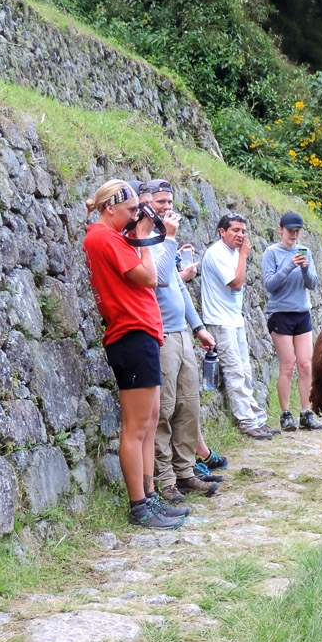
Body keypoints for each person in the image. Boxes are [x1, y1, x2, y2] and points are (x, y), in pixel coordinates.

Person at [82, 180, 189, 530]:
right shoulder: (102, 237)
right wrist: (144, 236)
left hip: (140, 333)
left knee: (148, 422)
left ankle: (149, 496)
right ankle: (139, 506)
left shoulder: (113, 237)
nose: (134, 217)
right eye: (129, 211)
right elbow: (149, 275)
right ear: (109, 207)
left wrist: (140, 234)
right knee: (136, 427)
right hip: (130, 334)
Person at [137, 178, 220, 503]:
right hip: (160, 336)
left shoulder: (163, 240)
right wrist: (169, 238)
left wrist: (197, 327)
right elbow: (156, 280)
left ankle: (186, 472)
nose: (167, 207)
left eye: (169, 202)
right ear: (144, 203)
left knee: (189, 405)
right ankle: (165, 479)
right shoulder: (144, 240)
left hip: (182, 334)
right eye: (160, 202)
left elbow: (178, 287)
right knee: (165, 409)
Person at [200, 212, 277, 441]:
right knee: (235, 372)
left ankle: (258, 420)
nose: (241, 235)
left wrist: (240, 255)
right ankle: (246, 422)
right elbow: (235, 284)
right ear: (221, 232)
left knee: (245, 371)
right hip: (220, 321)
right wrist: (243, 256)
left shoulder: (233, 253)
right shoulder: (217, 253)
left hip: (234, 319)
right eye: (235, 230)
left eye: (243, 231)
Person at [262, 211, 322, 432]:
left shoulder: (305, 251)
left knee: (306, 365)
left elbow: (313, 284)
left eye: (297, 231)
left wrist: (306, 268)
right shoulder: (271, 252)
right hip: (280, 314)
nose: (294, 235)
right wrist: (289, 265)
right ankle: (285, 413)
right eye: (290, 231)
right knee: (287, 366)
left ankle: (306, 412)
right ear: (281, 229)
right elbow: (270, 285)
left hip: (302, 313)